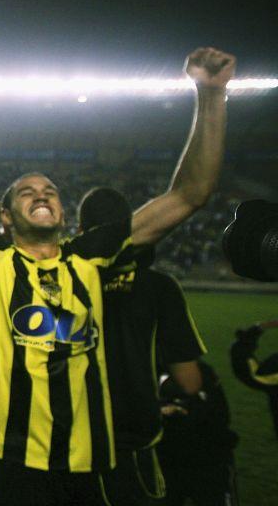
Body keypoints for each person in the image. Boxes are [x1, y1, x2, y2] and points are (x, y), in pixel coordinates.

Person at [0, 40, 234, 505]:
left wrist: (211, 95)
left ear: (62, 211)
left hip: (89, 462)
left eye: (51, 190)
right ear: (4, 215)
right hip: (9, 458)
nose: (41, 194)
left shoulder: (92, 256)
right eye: (26, 192)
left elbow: (190, 194)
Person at [78, 187, 207, 505]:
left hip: (68, 442)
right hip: (133, 440)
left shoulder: (63, 282)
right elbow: (190, 381)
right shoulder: (159, 287)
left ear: (81, 232)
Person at [157, 361, 240, 506]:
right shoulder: (143, 373)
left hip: (207, 463)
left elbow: (220, 417)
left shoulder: (204, 373)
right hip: (168, 464)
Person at [230, 320, 278, 438]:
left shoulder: (239, 347)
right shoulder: (242, 349)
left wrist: (266, 325)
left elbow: (259, 328)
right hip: (259, 376)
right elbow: (256, 376)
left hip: (256, 375)